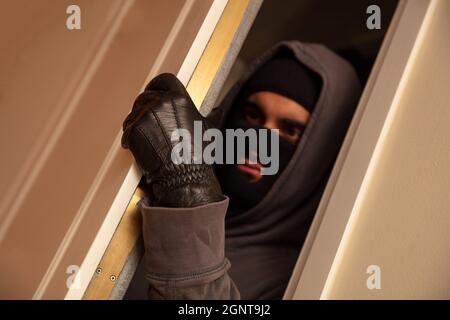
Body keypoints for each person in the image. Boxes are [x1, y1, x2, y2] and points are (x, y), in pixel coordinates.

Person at [121, 41, 361, 299]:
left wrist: (187, 188)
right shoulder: (152, 203)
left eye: (290, 131)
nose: (258, 143)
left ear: (320, 156)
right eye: (252, 115)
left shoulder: (299, 282)